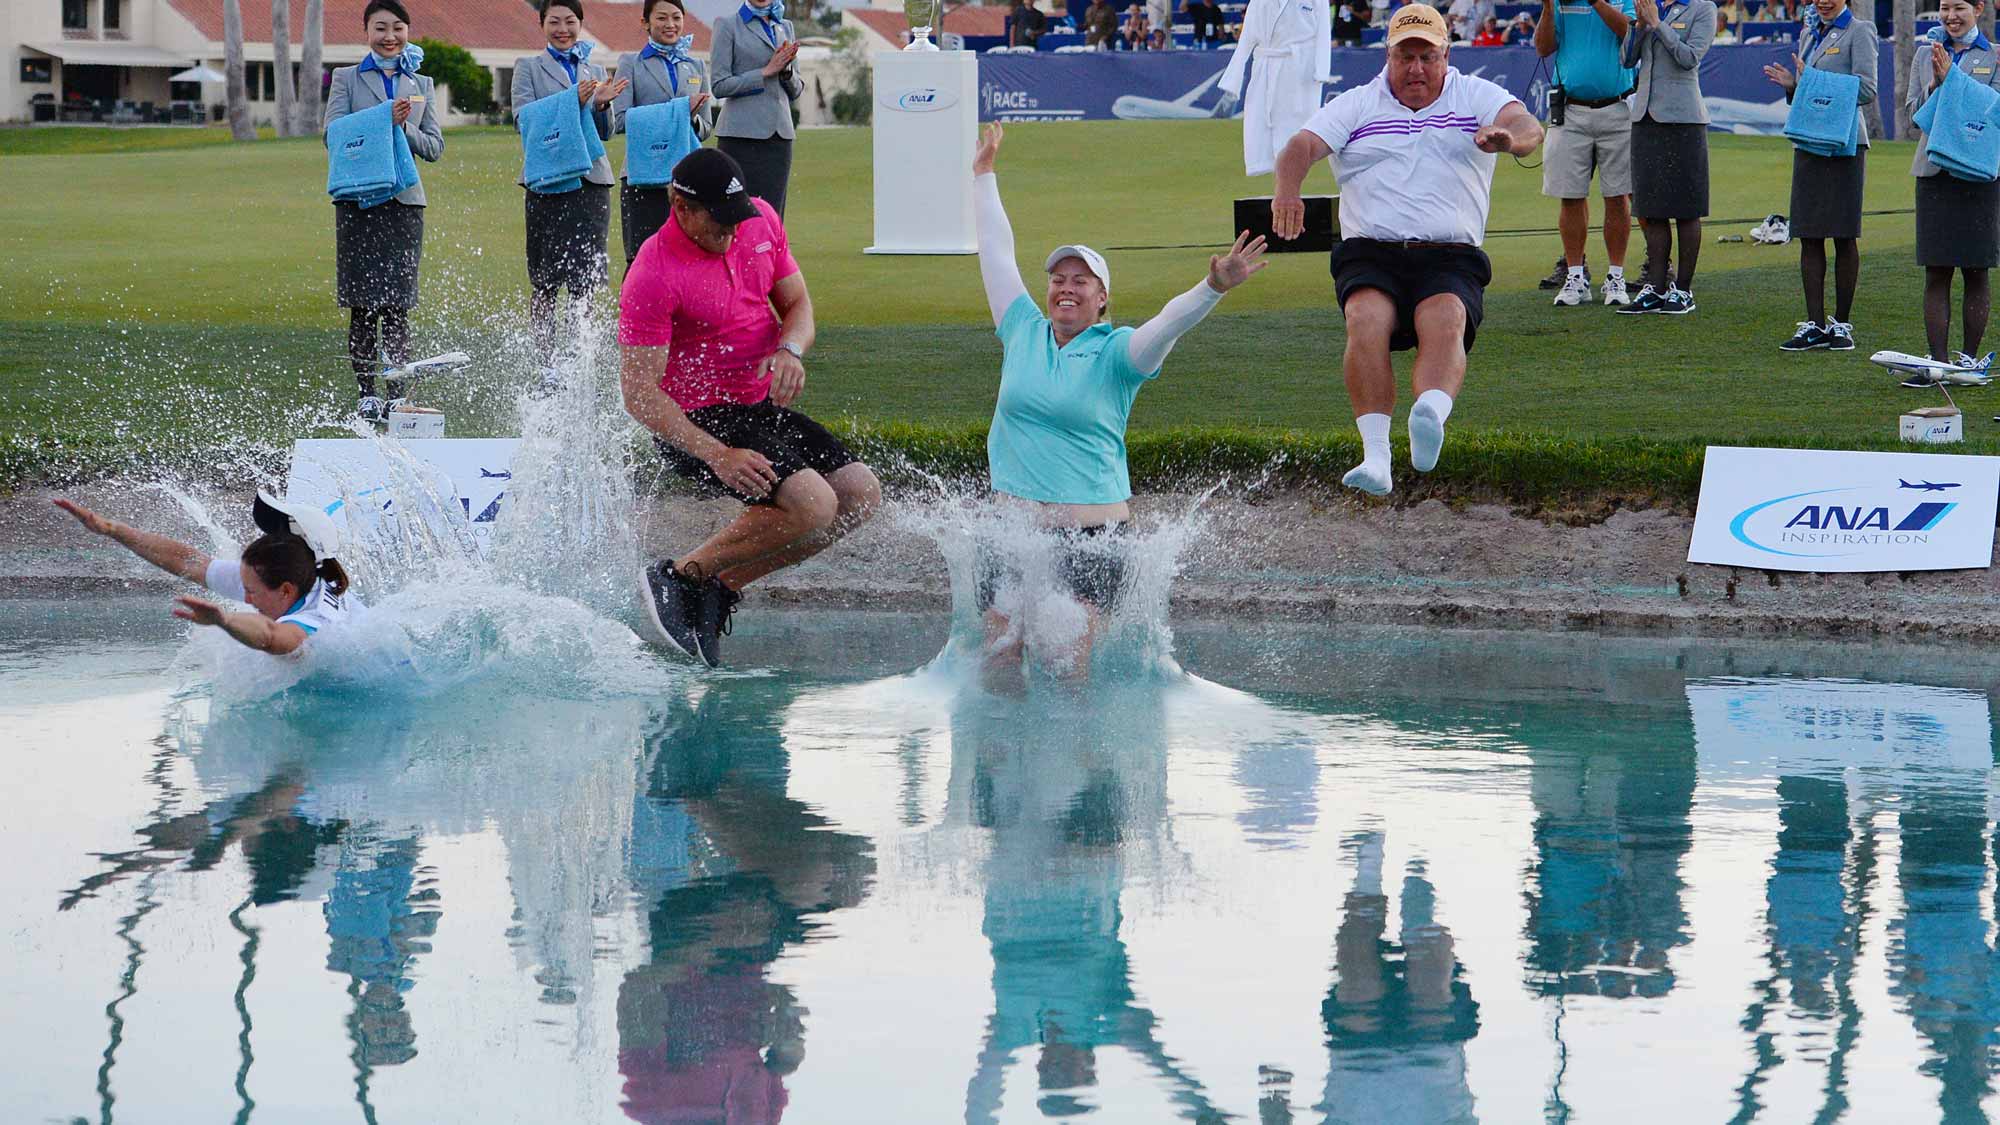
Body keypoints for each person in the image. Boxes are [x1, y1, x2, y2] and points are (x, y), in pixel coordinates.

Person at [970, 122, 1266, 681]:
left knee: (1063, 667)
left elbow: (1167, 323)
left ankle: (1084, 765)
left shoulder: (1119, 353)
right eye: (1059, 278)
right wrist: (984, 174)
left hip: (1091, 541)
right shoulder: (1021, 329)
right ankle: (999, 768)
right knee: (1000, 662)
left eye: (1081, 281)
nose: (1066, 287)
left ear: (1102, 298)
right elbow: (996, 252)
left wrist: (1214, 288)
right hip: (1012, 532)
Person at [1271, 3, 1544, 496]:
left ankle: (1430, 414)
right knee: (1365, 320)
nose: (1416, 68)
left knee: (1446, 320)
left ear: (1445, 55)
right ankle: (1376, 456)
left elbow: (1528, 127)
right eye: (1405, 56)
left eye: (1427, 56)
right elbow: (1300, 146)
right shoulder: (1358, 102)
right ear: (1388, 57)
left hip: (1449, 252)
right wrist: (1287, 190)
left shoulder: (1474, 94)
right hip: (1371, 250)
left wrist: (1510, 140)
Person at [621, 149, 881, 667]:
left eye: (736, 220)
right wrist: (718, 455)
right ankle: (676, 575)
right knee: (812, 505)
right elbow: (639, 394)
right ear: (681, 207)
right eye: (719, 223)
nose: (731, 233)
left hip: (754, 404)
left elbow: (799, 307)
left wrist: (790, 349)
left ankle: (715, 585)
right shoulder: (652, 273)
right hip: (696, 418)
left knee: (859, 494)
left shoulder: (758, 219)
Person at [324, 0, 444, 423]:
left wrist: (403, 126)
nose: (390, 36)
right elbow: (332, 134)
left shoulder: (421, 83)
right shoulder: (346, 79)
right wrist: (381, 119)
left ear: (407, 32)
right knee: (363, 305)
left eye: (397, 28)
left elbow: (434, 147)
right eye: (380, 28)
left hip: (404, 205)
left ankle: (395, 392)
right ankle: (366, 392)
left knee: (396, 306)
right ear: (367, 32)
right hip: (359, 202)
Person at [53, 494, 358, 655]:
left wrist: (224, 620)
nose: (246, 596)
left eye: (251, 591)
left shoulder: (314, 623)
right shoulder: (305, 573)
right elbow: (188, 560)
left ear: (286, 591)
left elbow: (270, 637)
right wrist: (113, 530)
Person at [513, 0, 629, 385]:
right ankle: (546, 365)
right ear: (541, 23)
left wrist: (602, 105)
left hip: (591, 183)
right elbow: (523, 119)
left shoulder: (594, 68)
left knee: (584, 282)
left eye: (570, 21)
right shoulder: (527, 68)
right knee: (546, 280)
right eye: (554, 21)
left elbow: (606, 132)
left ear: (581, 24)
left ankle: (579, 360)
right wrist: (574, 101)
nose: (563, 28)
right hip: (547, 183)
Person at [1766, 0, 1877, 351]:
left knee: (1844, 235)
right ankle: (1814, 324)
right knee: (1809, 234)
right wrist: (1793, 86)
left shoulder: (1860, 31)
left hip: (1845, 142)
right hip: (1810, 140)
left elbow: (1866, 89)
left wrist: (1812, 80)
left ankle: (1841, 325)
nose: (1824, 2)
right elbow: (1809, 93)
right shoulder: (1809, 33)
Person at [1907, 0, 2000, 372]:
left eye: (1959, 7)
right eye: (1944, 8)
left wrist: (1954, 83)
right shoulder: (1923, 55)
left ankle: (1969, 360)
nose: (1950, 16)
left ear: (1978, 8)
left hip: (1978, 175)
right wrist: (1936, 84)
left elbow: (1994, 111)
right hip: (1933, 174)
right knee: (1937, 271)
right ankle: (1940, 362)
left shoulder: (1995, 56)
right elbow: (1914, 115)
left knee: (1976, 270)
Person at [1534, 0, 1636, 308]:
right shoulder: (1561, 4)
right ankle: (1575, 275)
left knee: (1618, 196)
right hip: (1570, 109)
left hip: (1618, 107)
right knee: (1570, 195)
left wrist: (1596, 2)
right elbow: (1543, 47)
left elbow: (1628, 35)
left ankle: (1616, 276)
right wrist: (1548, 7)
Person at [1618, 0, 1717, 314]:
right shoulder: (1648, 7)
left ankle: (1683, 290)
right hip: (1645, 117)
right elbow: (1626, 59)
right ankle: (1656, 288)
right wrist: (1639, 26)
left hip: (1683, 118)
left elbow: (1689, 58)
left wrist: (1657, 24)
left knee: (1687, 208)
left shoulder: (1703, 9)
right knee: (1652, 208)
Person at [611, 0, 716, 267]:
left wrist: (689, 119)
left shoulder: (696, 66)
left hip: (686, 179)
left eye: (676, 17)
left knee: (688, 260)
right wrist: (679, 110)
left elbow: (705, 128)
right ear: (645, 22)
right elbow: (620, 120)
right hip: (642, 176)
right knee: (642, 262)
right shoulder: (630, 63)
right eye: (661, 18)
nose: (670, 25)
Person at [709, 0, 802, 218]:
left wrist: (786, 71)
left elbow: (796, 89)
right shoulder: (728, 25)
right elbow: (719, 85)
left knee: (773, 217)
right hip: (740, 138)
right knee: (738, 215)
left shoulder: (784, 26)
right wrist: (765, 71)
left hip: (779, 138)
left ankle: (769, 254)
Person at [1220, 0, 1333, 176]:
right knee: (1260, 123)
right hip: (1266, 66)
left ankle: (1291, 171)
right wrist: (1232, 79)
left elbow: (1324, 34)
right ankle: (1266, 164)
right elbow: (1246, 39)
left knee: (1295, 127)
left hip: (1299, 69)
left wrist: (1321, 71)